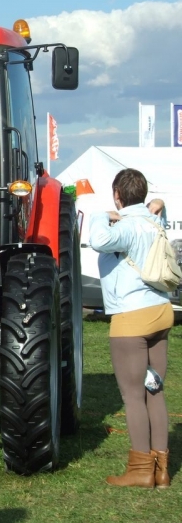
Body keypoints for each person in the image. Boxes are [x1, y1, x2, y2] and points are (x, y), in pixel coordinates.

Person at [90, 168, 174, 489]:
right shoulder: (155, 222)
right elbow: (157, 207)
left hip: (131, 318)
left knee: (133, 396)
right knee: (155, 391)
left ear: (117, 195)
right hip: (161, 313)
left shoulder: (125, 227)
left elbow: (98, 240)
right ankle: (162, 469)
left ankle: (141, 469)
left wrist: (101, 214)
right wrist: (157, 202)